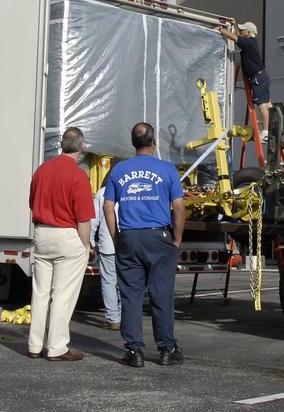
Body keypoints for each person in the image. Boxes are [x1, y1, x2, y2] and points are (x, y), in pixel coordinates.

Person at [103, 122, 186, 368]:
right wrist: (177, 239)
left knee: (130, 295)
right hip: (158, 237)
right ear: (154, 142)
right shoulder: (167, 169)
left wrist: (117, 236)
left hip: (129, 236)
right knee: (161, 294)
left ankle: (134, 350)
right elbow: (179, 206)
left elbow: (108, 206)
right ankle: (166, 348)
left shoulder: (119, 170)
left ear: (133, 143)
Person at [26, 126, 94, 361]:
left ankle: (34, 345)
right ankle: (56, 347)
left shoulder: (42, 170)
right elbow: (83, 219)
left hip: (42, 233)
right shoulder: (78, 176)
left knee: (40, 292)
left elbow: (32, 203)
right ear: (81, 147)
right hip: (67, 234)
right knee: (63, 294)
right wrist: (86, 245)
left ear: (61, 145)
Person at [217, 22, 272, 146]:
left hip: (257, 77)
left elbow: (234, 37)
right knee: (267, 103)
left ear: (248, 32)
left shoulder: (248, 42)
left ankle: (267, 131)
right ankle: (275, 125)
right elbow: (237, 34)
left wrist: (220, 29)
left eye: (243, 30)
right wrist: (234, 24)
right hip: (261, 76)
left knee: (262, 104)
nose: (240, 32)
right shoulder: (251, 41)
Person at [89, 180, 121, 329]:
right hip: (128, 244)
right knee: (125, 282)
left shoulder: (103, 192)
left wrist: (90, 241)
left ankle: (113, 318)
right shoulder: (131, 189)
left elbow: (93, 220)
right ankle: (125, 315)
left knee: (109, 281)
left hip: (108, 244)